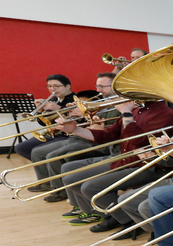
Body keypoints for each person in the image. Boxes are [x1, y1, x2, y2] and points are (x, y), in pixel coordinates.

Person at [57, 100, 173, 227]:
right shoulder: (136, 110)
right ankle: (111, 215)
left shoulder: (167, 114)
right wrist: (75, 129)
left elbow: (136, 141)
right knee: (72, 179)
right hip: (124, 161)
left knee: (90, 187)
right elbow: (108, 134)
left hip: (149, 166)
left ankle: (131, 223)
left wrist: (126, 113)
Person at [36, 73, 120, 203]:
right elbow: (94, 124)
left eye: (102, 86)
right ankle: (70, 195)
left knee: (61, 157)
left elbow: (114, 130)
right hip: (87, 137)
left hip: (103, 143)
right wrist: (81, 115)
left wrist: (97, 126)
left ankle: (68, 193)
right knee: (49, 154)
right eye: (97, 86)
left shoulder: (121, 105)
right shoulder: (102, 102)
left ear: (114, 86)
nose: (98, 90)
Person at [16, 74, 76, 165]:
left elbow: (80, 118)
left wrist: (59, 109)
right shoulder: (54, 100)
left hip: (68, 135)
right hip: (52, 134)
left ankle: (56, 169)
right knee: (21, 148)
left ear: (68, 86)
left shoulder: (77, 99)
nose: (53, 89)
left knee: (38, 150)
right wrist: (40, 112)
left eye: (56, 86)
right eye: (50, 86)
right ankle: (47, 168)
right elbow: (45, 124)